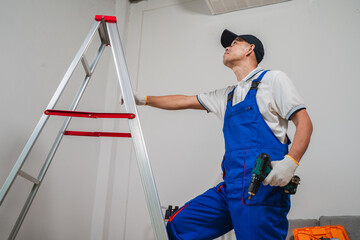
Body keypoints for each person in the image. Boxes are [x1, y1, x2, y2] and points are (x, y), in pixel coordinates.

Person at [130, 29, 313, 240]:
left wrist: (291, 162)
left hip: (261, 188)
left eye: (235, 43)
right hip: (231, 187)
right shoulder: (227, 95)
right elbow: (183, 101)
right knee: (178, 227)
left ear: (250, 49)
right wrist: (143, 99)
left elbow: (304, 122)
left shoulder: (273, 79)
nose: (227, 47)